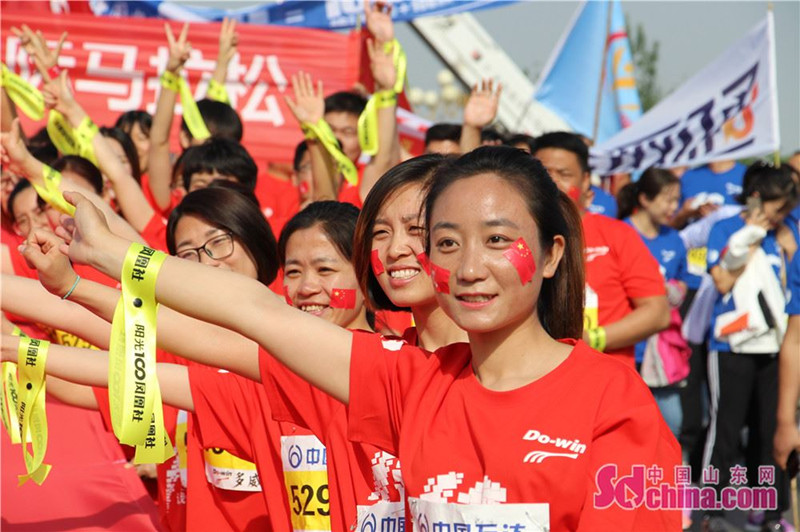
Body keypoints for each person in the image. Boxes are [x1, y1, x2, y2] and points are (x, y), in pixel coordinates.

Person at [60, 146, 680, 530]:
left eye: (496, 240)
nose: (467, 267)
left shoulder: (615, 402)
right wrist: (108, 254)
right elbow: (257, 314)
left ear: (551, 256)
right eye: (445, 243)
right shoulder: (408, 381)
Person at [702, 162, 798, 532]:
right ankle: (711, 511)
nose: (781, 217)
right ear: (757, 198)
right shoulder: (726, 229)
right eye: (777, 209)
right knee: (724, 431)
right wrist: (751, 236)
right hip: (732, 346)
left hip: (776, 346)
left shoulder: (786, 234)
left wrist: (789, 251)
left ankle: (772, 515)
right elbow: (722, 281)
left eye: (786, 211)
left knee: (771, 431)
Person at [533, 132, 669, 368]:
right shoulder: (514, 237)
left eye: (564, 174)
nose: (551, 183)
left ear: (585, 181)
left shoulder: (618, 235)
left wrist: (592, 339)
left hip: (606, 378)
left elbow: (657, 313)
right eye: (543, 174)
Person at [617, 168, 690, 440]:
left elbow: (684, 278)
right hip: (625, 345)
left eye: (677, 200)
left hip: (663, 349)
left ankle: (664, 478)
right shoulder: (620, 232)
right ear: (645, 199)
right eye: (667, 200)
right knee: (627, 424)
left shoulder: (675, 239)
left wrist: (677, 290)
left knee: (672, 423)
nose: (674, 207)